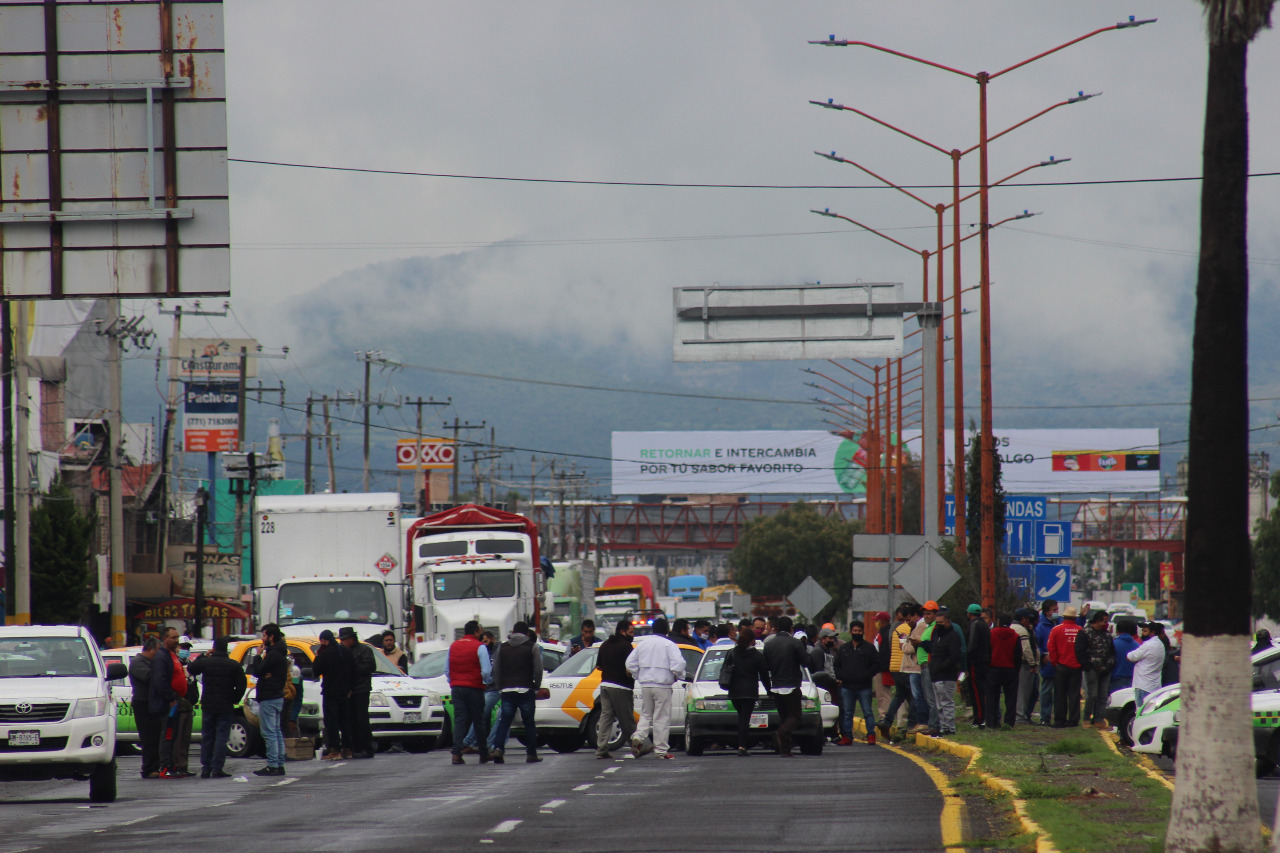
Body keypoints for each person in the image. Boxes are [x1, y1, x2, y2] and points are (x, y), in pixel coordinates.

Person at [626, 617, 686, 760]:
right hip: (663, 685)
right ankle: (661, 751)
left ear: (653, 630)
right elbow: (679, 663)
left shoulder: (643, 644)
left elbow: (629, 663)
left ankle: (638, 736)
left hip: (646, 685)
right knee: (661, 718)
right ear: (667, 630)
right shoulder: (669, 645)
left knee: (646, 714)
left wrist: (638, 675)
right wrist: (677, 675)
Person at [188, 636, 247, 778]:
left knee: (207, 735)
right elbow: (241, 685)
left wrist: (203, 656)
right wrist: (234, 699)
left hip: (208, 703)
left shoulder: (206, 663)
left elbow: (191, 668)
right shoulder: (233, 665)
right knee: (221, 736)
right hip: (225, 704)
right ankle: (217, 768)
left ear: (214, 648)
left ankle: (206, 767)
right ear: (226, 649)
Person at [489, 622, 544, 764]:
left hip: (507, 690)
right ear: (527, 633)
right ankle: (531, 754)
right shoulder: (532, 647)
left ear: (513, 632)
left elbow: (496, 669)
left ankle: (498, 749)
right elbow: (538, 669)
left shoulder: (503, 647)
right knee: (529, 723)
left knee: (504, 722)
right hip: (526, 689)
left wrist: (499, 686)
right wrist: (536, 686)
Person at [446, 620, 493, 765]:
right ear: (475, 632)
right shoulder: (480, 647)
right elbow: (486, 670)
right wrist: (486, 681)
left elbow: (446, 670)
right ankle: (483, 754)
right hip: (474, 688)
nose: (481, 633)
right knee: (478, 720)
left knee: (460, 719)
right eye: (480, 631)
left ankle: (456, 753)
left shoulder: (453, 646)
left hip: (457, 688)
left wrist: (453, 682)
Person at [762, 615, 809, 757]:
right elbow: (806, 662)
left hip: (775, 686)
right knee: (795, 716)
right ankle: (781, 733)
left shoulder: (769, 644)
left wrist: (768, 688)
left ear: (775, 628)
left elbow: (764, 669)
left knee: (784, 718)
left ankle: (785, 750)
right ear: (791, 628)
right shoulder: (795, 643)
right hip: (791, 686)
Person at [151, 627, 193, 779]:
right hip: (167, 705)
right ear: (165, 639)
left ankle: (171, 765)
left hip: (174, 702)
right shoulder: (162, 657)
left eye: (177, 638)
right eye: (173, 638)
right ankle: (165, 767)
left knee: (173, 735)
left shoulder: (172, 655)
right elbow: (159, 680)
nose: (176, 641)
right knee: (167, 736)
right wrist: (171, 698)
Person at [724, 624, 771, 756]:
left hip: (734, 691)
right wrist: (769, 690)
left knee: (741, 718)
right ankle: (742, 746)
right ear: (751, 640)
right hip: (749, 692)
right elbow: (764, 675)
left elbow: (726, 669)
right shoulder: (756, 655)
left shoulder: (732, 653)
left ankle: (741, 744)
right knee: (745, 718)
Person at [250, 623, 290, 776]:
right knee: (277, 731)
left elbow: (259, 671)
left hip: (269, 696)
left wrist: (257, 656)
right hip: (277, 696)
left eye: (264, 635)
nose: (262, 638)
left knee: (269, 732)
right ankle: (279, 763)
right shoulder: (280, 652)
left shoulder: (273, 654)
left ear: (271, 637)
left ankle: (273, 765)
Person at [835, 619, 881, 744]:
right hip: (847, 686)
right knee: (847, 712)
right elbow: (837, 665)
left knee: (867, 712)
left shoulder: (869, 648)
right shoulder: (844, 648)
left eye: (859, 631)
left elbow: (877, 664)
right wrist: (842, 676)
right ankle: (847, 736)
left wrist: (866, 675)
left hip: (864, 686)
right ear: (850, 632)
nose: (857, 633)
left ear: (863, 632)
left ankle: (871, 735)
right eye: (855, 631)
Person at [595, 620, 637, 759]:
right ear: (622, 631)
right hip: (621, 687)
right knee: (627, 719)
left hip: (605, 685)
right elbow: (631, 668)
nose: (632, 635)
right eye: (630, 632)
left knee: (606, 718)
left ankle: (601, 749)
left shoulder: (605, 645)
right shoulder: (626, 647)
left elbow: (599, 666)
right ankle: (637, 747)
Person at [312, 629, 354, 759]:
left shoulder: (325, 653)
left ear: (324, 641)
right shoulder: (346, 651)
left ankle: (334, 750)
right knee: (344, 721)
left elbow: (316, 670)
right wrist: (350, 688)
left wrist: (318, 655)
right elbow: (354, 670)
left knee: (332, 721)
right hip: (345, 692)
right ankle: (347, 749)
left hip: (331, 691)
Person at [883, 604, 921, 737]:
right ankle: (912, 724)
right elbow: (907, 648)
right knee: (914, 696)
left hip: (894, 667)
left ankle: (887, 721)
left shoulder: (897, 628)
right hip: (904, 668)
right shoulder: (911, 629)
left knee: (899, 696)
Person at [462, 631, 500, 755]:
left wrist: (490, 680)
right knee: (480, 715)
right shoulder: (483, 651)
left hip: (495, 688)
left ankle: (468, 742)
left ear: (492, 639)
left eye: (486, 641)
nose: (484, 644)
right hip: (486, 688)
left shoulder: (498, 650)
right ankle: (474, 743)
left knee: (482, 714)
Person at [340, 626, 376, 758]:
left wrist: (353, 669)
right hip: (349, 690)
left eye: (344, 640)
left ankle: (367, 747)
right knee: (351, 720)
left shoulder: (364, 650)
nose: (343, 642)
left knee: (362, 718)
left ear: (351, 639)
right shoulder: (343, 651)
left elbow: (370, 666)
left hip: (362, 689)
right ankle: (356, 747)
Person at [1075, 610, 1114, 729]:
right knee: (1092, 695)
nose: (1107, 624)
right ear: (1098, 621)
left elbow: (1112, 651)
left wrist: (1110, 665)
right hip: (1092, 668)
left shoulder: (1107, 635)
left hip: (1106, 669)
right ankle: (1086, 719)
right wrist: (1087, 665)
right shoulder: (1085, 633)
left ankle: (1098, 719)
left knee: (1103, 696)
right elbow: (1079, 651)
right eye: (1105, 621)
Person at [928, 609, 963, 736]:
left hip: (947, 676)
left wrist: (941, 667)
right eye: (937, 622)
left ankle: (950, 727)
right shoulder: (937, 636)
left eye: (941, 622)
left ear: (947, 622)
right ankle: (943, 727)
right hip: (936, 675)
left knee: (947, 702)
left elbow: (954, 656)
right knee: (939, 704)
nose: (938, 625)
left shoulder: (953, 636)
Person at [130, 638, 161, 779]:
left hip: (152, 704)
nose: (158, 654)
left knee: (155, 737)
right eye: (157, 650)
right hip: (143, 704)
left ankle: (155, 767)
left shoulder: (151, 662)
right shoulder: (138, 662)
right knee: (148, 738)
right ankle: (148, 769)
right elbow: (150, 677)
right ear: (150, 649)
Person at [1047, 606, 1083, 729]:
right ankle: (1073, 720)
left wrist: (1055, 663)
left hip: (1061, 666)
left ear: (1064, 616)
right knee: (1074, 695)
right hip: (1076, 667)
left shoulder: (1056, 629)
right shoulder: (1080, 630)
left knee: (1059, 694)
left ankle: (1059, 720)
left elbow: (1051, 648)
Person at [908, 602, 939, 734]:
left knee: (931, 698)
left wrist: (920, 643)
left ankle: (933, 725)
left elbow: (934, 646)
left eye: (929, 613)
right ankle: (931, 724)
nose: (926, 616)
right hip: (923, 665)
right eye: (925, 614)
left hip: (929, 664)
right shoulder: (927, 627)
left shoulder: (935, 627)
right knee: (927, 697)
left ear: (935, 614)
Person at [985, 614, 1019, 729]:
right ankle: (1009, 722)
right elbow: (1017, 655)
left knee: (992, 697)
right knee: (1011, 698)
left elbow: (987, 651)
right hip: (1010, 670)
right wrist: (1016, 669)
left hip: (993, 669)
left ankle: (992, 721)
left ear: (998, 622)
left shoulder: (991, 634)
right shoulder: (1015, 636)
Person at [1128, 622, 1167, 709]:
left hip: (1143, 685)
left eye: (1145, 631)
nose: (1142, 633)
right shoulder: (1160, 644)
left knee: (1141, 712)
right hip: (1154, 684)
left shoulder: (1148, 645)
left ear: (1152, 632)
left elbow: (1130, 657)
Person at [965, 603, 991, 728]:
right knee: (983, 690)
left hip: (975, 662)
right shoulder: (985, 625)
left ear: (969, 613)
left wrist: (966, 659)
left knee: (976, 691)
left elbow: (971, 645)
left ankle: (979, 718)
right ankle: (984, 717)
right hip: (985, 662)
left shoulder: (974, 625)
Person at [1034, 600, 1060, 725]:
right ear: (1046, 612)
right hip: (1048, 664)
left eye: (1057, 609)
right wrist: (1042, 657)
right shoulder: (1041, 627)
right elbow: (1036, 645)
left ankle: (1059, 717)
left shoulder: (1059, 623)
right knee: (1047, 692)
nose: (1056, 612)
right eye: (1054, 610)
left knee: (1059, 692)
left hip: (1061, 664)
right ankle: (1045, 717)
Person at [1012, 609, 1040, 724]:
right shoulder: (1021, 630)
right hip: (1024, 664)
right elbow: (1026, 649)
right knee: (1023, 692)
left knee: (1028, 691)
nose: (1030, 621)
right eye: (1028, 619)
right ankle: (1021, 716)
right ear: (1023, 619)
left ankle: (1023, 715)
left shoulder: (1021, 628)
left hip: (1020, 664)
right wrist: (1032, 663)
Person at [872, 611, 895, 722]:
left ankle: (884, 716)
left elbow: (885, 652)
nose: (875, 623)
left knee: (883, 694)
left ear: (882, 621)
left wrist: (881, 666)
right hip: (880, 667)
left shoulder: (886, 634)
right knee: (881, 693)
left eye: (877, 620)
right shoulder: (881, 632)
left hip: (883, 668)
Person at [1110, 619, 1140, 693]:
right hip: (1133, 680)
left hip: (1115, 680)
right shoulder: (1137, 645)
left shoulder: (1113, 644)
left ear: (1117, 631)